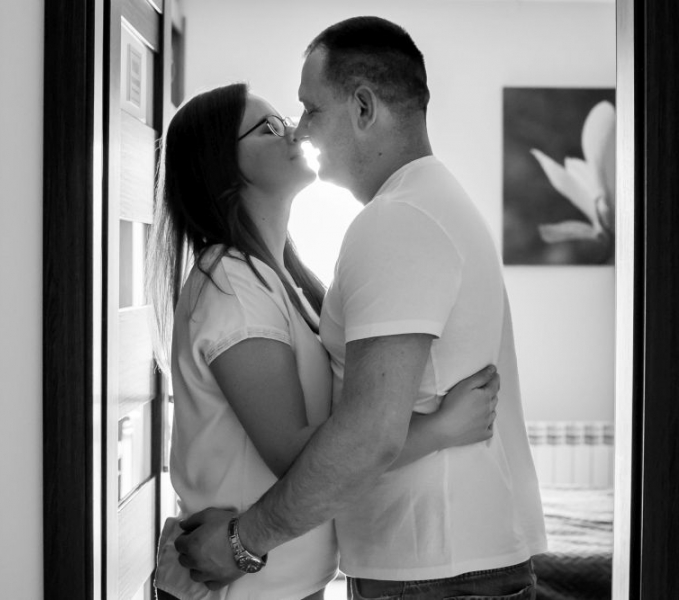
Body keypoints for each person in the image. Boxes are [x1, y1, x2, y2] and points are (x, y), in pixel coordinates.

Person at [174, 17, 548, 600]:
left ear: (364, 108)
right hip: (419, 565)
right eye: (278, 123)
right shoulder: (243, 277)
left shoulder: (396, 221)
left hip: (435, 568)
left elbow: (368, 435)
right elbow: (340, 435)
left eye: (308, 110)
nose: (300, 129)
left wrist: (243, 542)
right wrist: (440, 429)